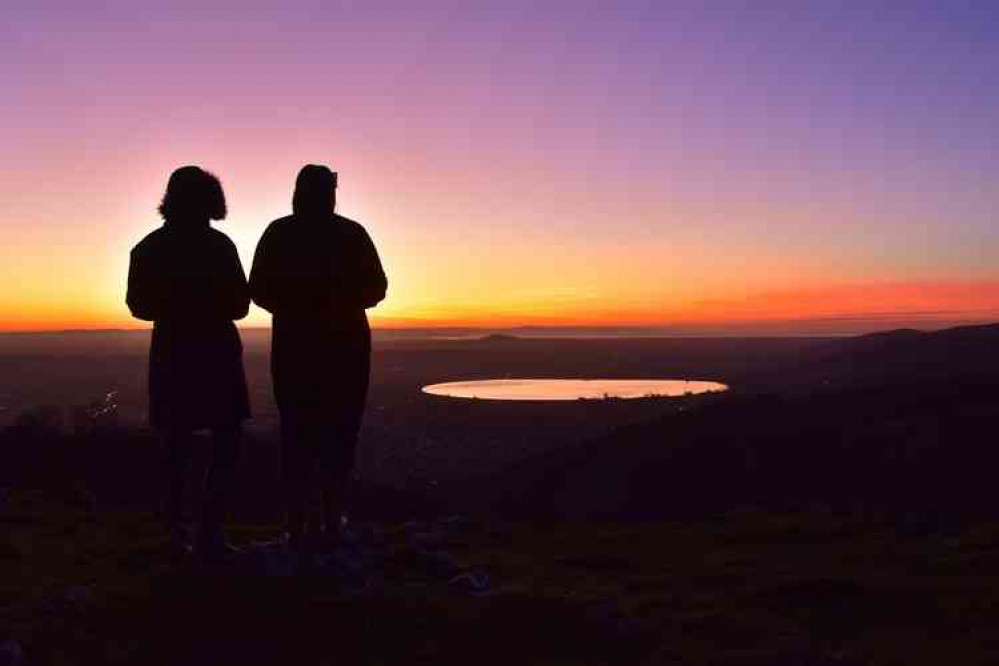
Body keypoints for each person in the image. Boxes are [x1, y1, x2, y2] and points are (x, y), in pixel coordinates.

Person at [249, 164, 386, 555]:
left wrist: (294, 305)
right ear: (331, 192)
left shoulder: (280, 233)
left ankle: (298, 527)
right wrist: (342, 301)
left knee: (298, 434)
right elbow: (378, 286)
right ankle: (330, 523)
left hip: (295, 346)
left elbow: (257, 289)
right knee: (340, 435)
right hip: (346, 349)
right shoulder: (351, 234)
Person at [126, 166, 251, 561]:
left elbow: (138, 306)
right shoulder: (220, 246)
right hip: (215, 353)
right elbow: (241, 305)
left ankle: (177, 535)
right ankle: (209, 535)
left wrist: (175, 305)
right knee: (223, 445)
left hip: (173, 353)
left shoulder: (148, 248)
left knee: (175, 448)